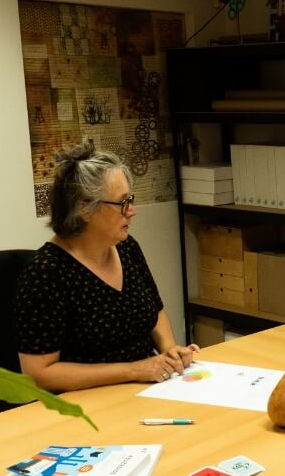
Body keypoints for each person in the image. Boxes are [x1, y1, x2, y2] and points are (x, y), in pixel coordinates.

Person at [15, 141, 197, 392]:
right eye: (122, 202)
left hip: (147, 388)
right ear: (84, 208)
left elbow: (155, 311)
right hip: (88, 402)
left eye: (130, 200)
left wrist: (169, 351)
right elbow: (38, 373)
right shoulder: (46, 273)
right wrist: (135, 369)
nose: (132, 211)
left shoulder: (126, 247)